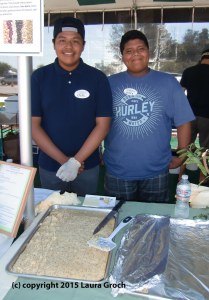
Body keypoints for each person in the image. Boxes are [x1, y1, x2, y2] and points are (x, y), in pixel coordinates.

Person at [103, 30, 195, 203]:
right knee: (118, 221)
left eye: (140, 49)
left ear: (149, 52)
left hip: (157, 170)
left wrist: (182, 156)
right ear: (122, 56)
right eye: (129, 51)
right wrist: (97, 151)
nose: (135, 54)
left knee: (154, 224)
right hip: (118, 169)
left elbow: (183, 121)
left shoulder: (168, 82)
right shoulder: (109, 84)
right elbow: (98, 123)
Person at [31, 17, 112, 196]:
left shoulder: (97, 78)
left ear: (83, 45)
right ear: (54, 44)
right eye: (62, 40)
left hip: (87, 167)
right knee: (51, 217)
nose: (69, 47)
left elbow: (103, 124)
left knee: (85, 218)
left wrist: (76, 162)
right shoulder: (39, 77)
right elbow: (33, 125)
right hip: (51, 167)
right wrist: (65, 161)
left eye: (75, 41)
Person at [180, 49, 209, 183]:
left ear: (201, 58)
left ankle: (180, 175)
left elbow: (180, 94)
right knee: (206, 150)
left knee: (185, 147)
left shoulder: (189, 71)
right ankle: (202, 179)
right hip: (207, 118)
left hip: (188, 117)